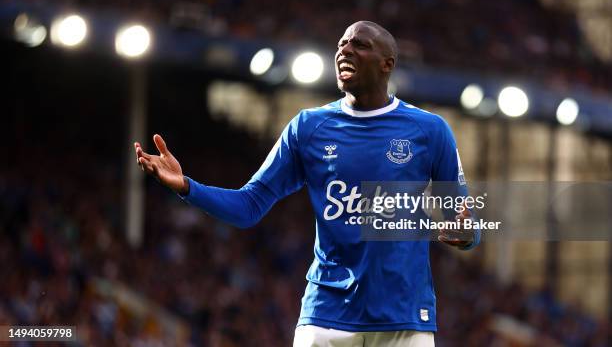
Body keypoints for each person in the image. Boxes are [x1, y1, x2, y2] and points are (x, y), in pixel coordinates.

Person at [135, 21, 479, 346]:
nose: (345, 50)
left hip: (404, 318)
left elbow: (466, 223)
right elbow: (249, 207)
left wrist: (466, 235)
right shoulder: (308, 128)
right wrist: (187, 187)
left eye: (360, 45)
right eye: (342, 44)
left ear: (387, 64)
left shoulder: (430, 131)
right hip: (326, 315)